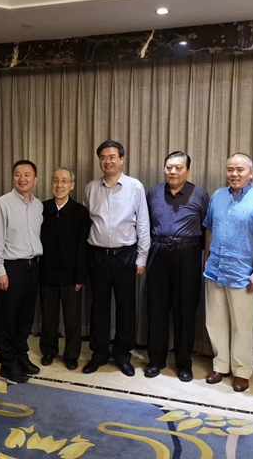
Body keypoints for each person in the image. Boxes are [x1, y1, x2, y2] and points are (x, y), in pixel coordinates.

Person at [203, 153, 253, 392]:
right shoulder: (217, 196)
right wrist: (207, 259)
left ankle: (242, 371)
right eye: (230, 169)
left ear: (251, 173)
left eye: (240, 170)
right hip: (215, 270)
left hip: (242, 273)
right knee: (215, 321)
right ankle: (220, 365)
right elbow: (209, 230)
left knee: (242, 325)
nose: (234, 174)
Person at [83, 140, 150, 376]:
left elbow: (143, 223)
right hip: (97, 255)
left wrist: (141, 258)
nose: (107, 161)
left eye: (112, 157)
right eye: (103, 157)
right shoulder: (91, 188)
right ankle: (99, 352)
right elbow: (87, 222)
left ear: (121, 159)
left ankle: (122, 354)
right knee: (98, 306)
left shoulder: (135, 187)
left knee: (126, 307)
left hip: (126, 256)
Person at [145, 151, 209, 382]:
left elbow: (207, 229)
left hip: (187, 253)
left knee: (186, 311)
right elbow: (144, 225)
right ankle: (156, 360)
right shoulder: (153, 193)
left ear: (187, 171)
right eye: (169, 167)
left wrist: (205, 257)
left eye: (178, 168)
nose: (172, 172)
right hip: (158, 251)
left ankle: (183, 363)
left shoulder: (200, 195)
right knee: (156, 309)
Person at [0, 160, 43, 383]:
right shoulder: (1, 204)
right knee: (8, 319)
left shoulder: (38, 205)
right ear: (13, 178)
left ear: (35, 179)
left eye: (27, 175)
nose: (22, 178)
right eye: (18, 174)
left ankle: (21, 356)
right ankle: (8, 363)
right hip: (11, 268)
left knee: (25, 318)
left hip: (33, 266)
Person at [39, 167, 91, 371]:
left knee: (72, 319)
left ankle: (71, 354)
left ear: (72, 185)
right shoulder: (42, 209)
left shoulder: (80, 212)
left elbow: (83, 247)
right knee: (48, 317)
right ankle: (48, 350)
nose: (59, 185)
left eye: (64, 181)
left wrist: (80, 277)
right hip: (47, 274)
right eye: (55, 180)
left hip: (71, 277)